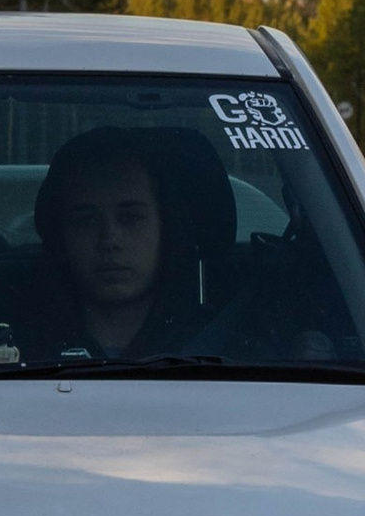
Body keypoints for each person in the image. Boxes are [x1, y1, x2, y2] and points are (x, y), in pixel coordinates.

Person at [20, 128, 222, 364]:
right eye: (86, 221)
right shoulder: (11, 351)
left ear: (167, 228)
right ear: (60, 236)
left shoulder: (230, 351)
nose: (109, 240)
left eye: (130, 218)